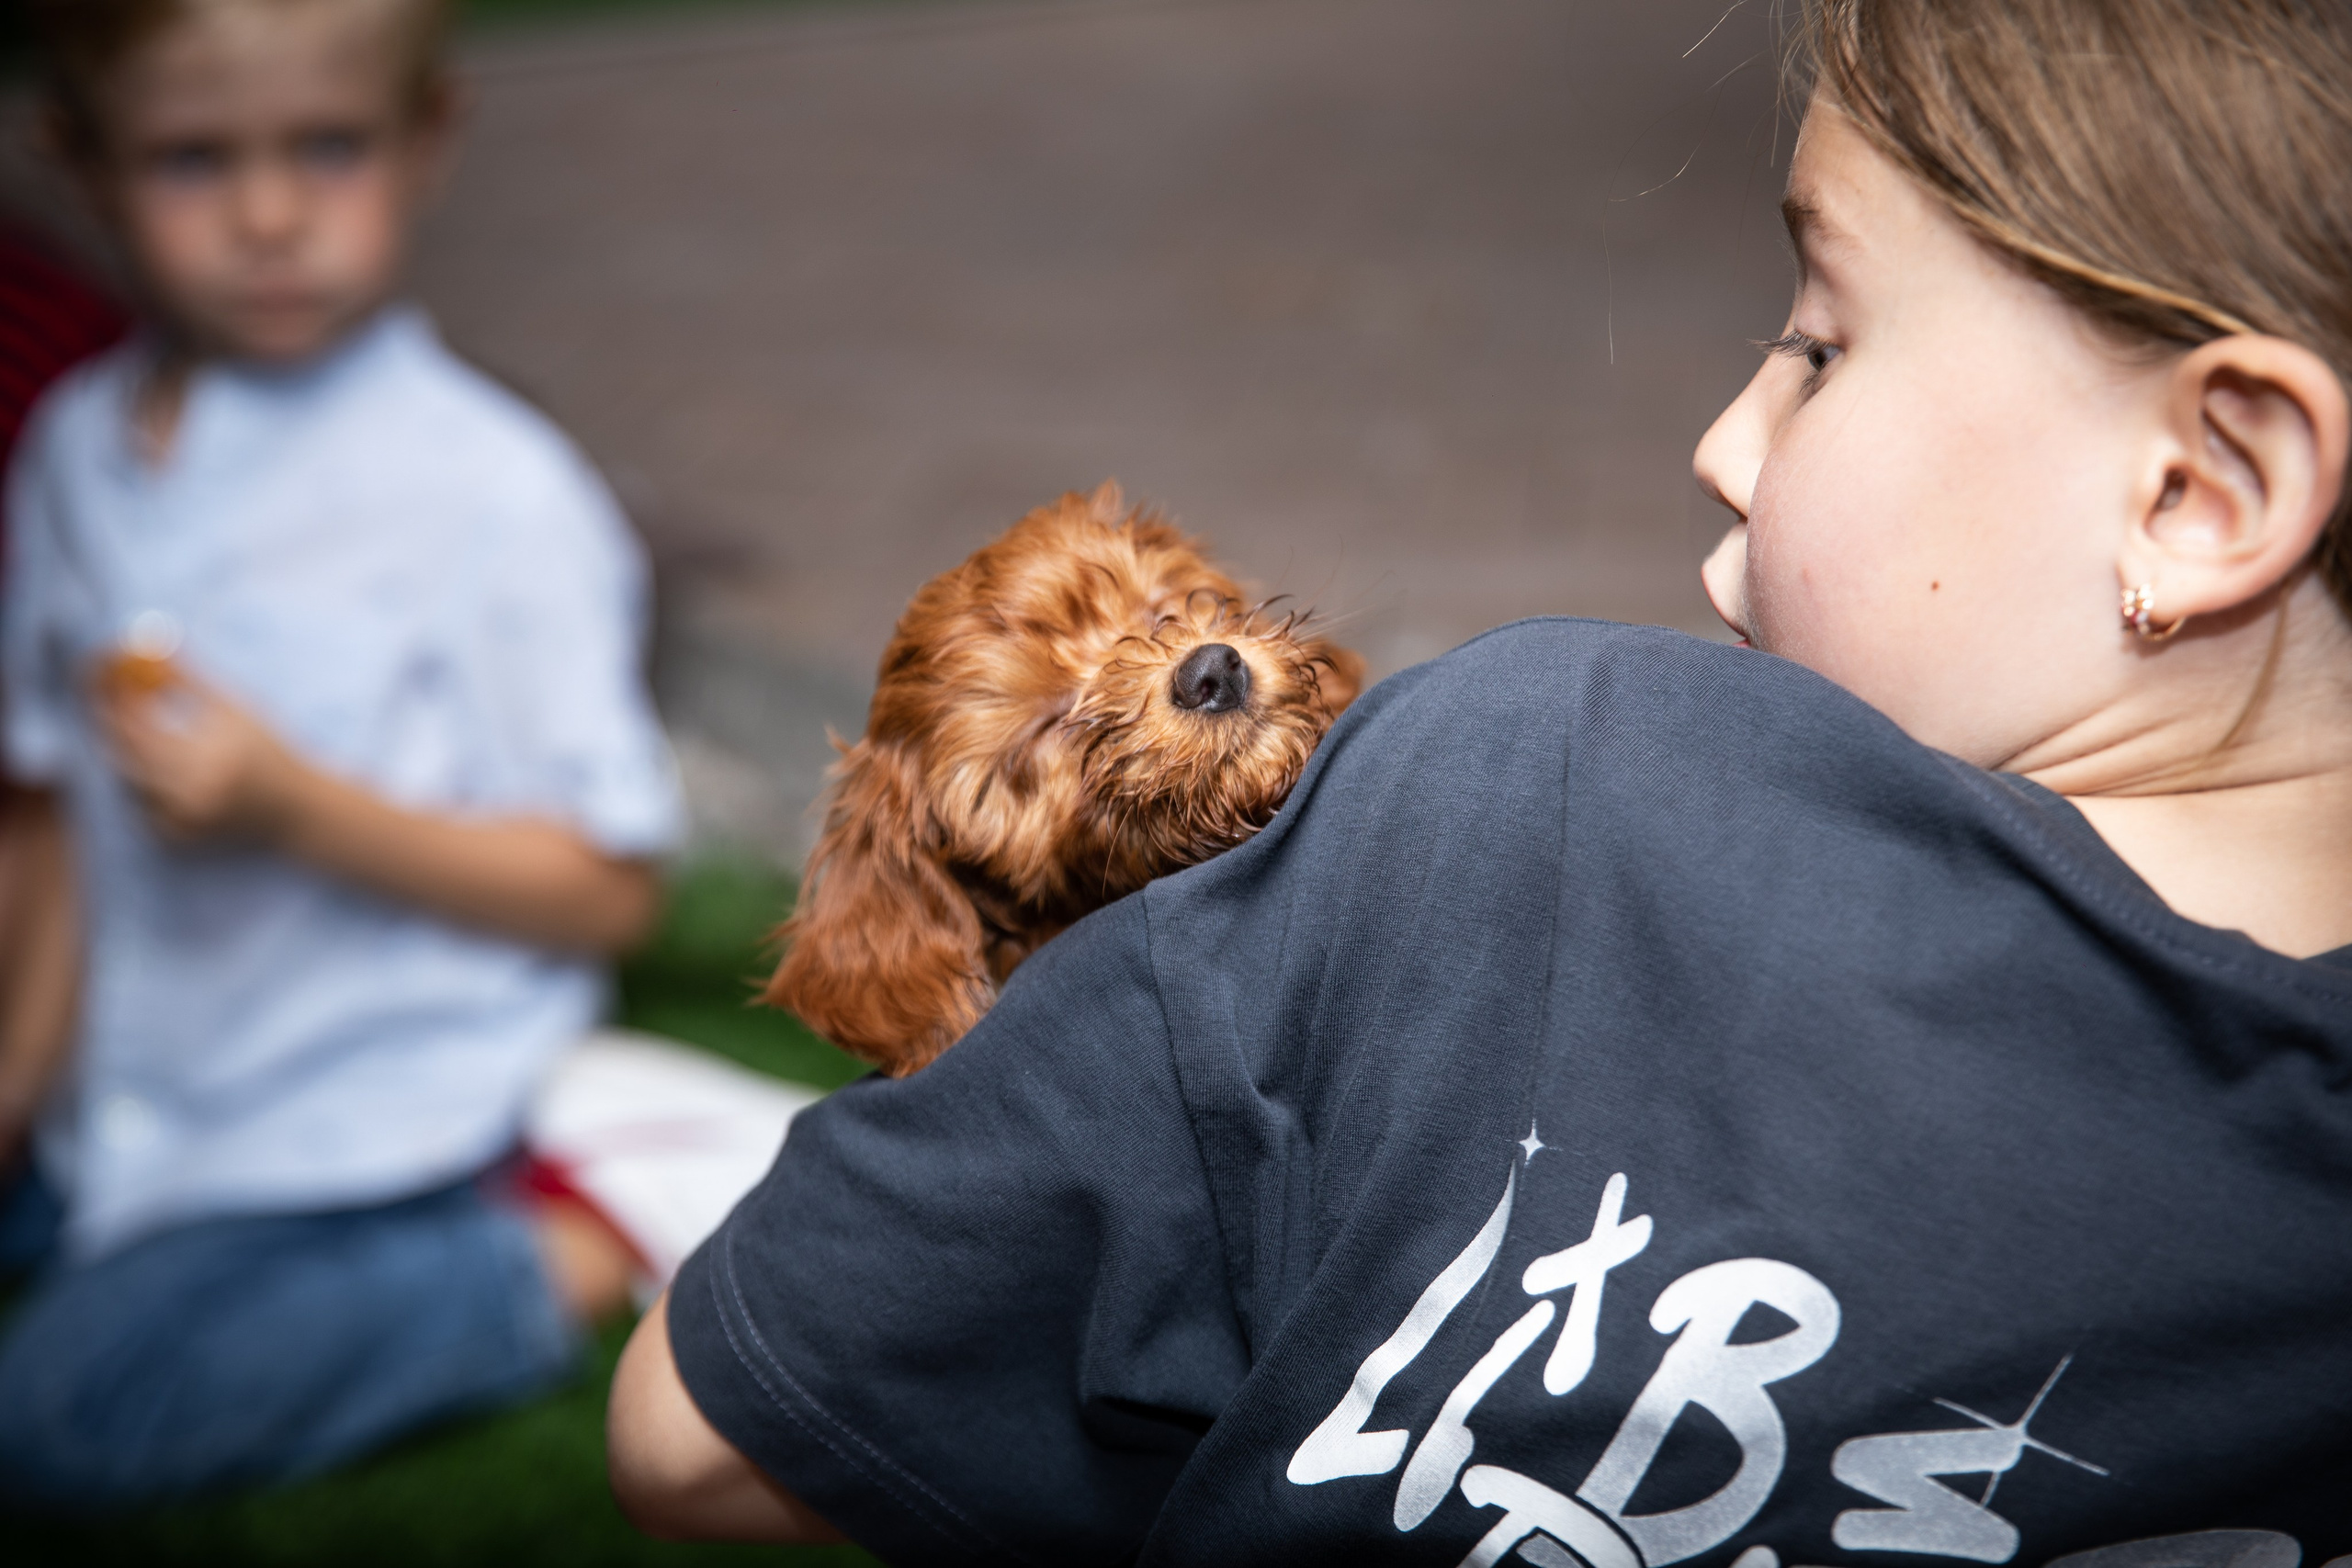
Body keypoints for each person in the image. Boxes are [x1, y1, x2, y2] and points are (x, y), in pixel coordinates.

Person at [605, 0, 2352, 1561]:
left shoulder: (1515, 781)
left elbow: (689, 1431)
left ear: (2205, 490)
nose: (1721, 435)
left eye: (1820, 345)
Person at [0, 0, 681, 1506]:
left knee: (58, 1416)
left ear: (427, 140)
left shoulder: (493, 494)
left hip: (365, 1107)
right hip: (131, 1087)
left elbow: (613, 888)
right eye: (191, 159)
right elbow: (47, 817)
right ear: (81, 163)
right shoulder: (71, 454)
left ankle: (550, 1249)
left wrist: (297, 810)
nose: (267, 216)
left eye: (328, 147)